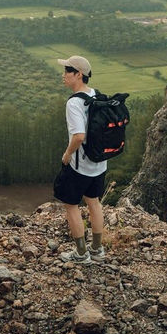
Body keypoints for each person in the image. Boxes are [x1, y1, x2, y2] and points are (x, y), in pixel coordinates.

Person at [53, 54, 106, 263]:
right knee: (94, 203)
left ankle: (81, 253)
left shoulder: (74, 103)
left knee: (71, 205)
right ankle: (97, 250)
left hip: (80, 165)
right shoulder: (97, 95)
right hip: (99, 163)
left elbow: (79, 136)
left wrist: (67, 155)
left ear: (79, 75)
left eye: (67, 71)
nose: (63, 75)